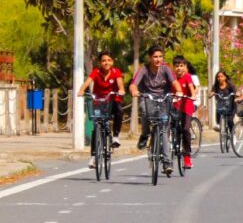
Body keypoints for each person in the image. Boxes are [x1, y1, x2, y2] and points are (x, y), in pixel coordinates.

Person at [129, 46, 181, 175]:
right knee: (144, 111)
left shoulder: (166, 69)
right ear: (150, 58)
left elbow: (174, 82)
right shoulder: (144, 69)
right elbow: (133, 84)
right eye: (155, 57)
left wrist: (179, 90)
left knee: (163, 129)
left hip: (164, 100)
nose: (158, 59)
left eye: (160, 56)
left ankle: (167, 163)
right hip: (148, 99)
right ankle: (145, 134)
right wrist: (134, 90)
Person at [78, 51, 125, 168]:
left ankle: (115, 137)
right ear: (100, 63)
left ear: (112, 62)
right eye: (104, 60)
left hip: (112, 100)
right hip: (99, 101)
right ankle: (93, 157)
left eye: (108, 60)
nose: (106, 63)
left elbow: (120, 84)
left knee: (119, 110)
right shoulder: (96, 72)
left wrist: (121, 90)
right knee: (96, 127)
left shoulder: (116, 72)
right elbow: (87, 82)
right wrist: (81, 90)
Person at [172, 56, 198, 169]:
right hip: (175, 106)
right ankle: (173, 148)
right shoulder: (172, 77)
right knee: (173, 128)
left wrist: (192, 96)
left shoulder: (187, 77)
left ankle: (187, 157)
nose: (179, 68)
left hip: (187, 106)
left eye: (181, 66)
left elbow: (192, 89)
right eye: (177, 66)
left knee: (185, 129)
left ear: (185, 67)